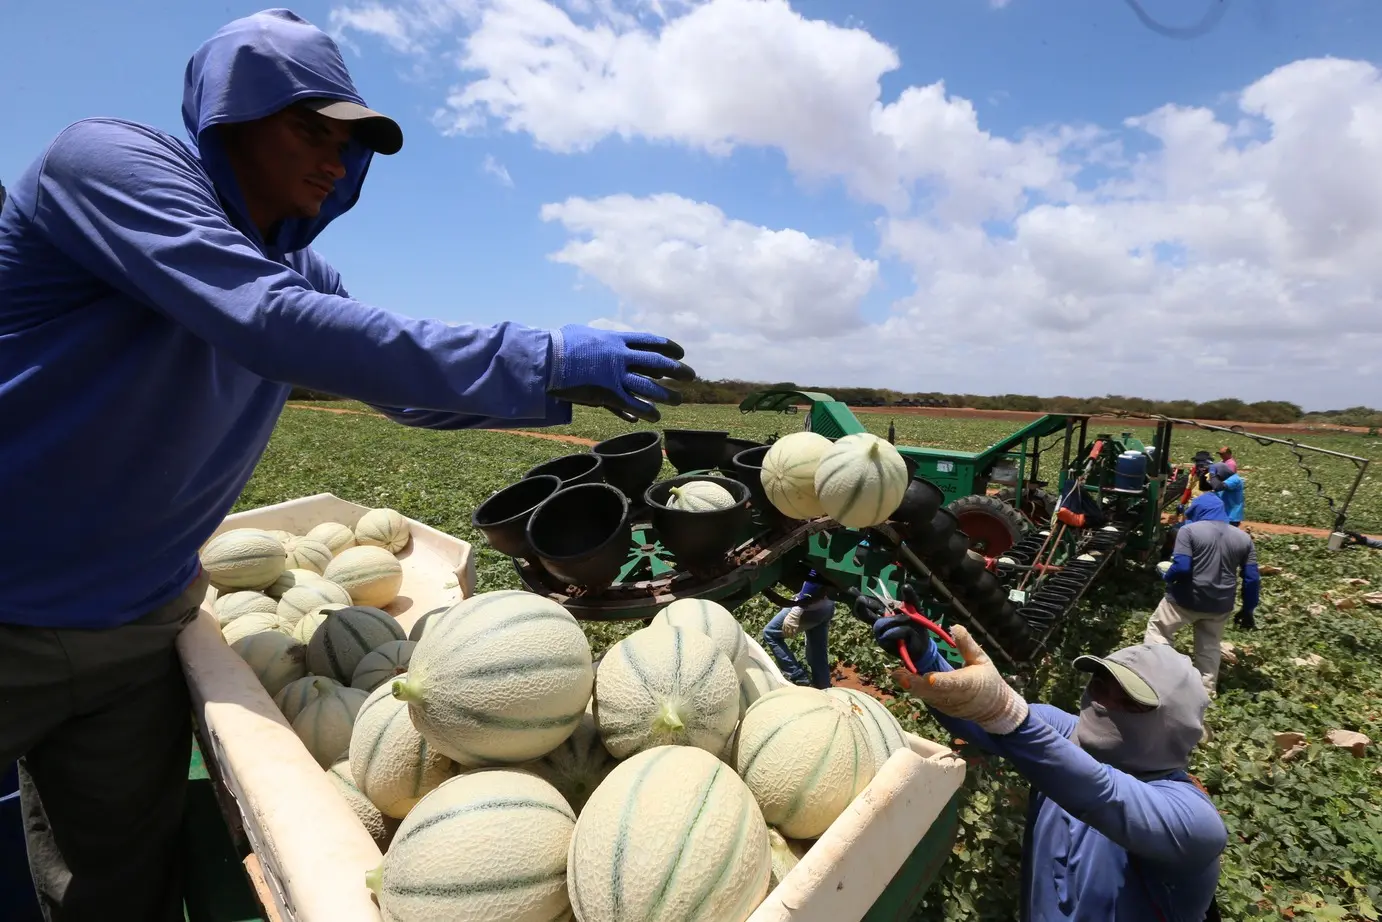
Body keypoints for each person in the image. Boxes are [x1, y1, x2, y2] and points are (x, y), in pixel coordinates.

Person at [0, 10, 692, 921]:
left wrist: (554, 392)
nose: (334, 160)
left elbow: (394, 387)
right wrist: (541, 355)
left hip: (139, 625)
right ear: (225, 120)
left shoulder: (306, 279)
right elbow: (267, 320)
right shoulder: (106, 165)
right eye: (307, 129)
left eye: (350, 143)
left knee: (115, 884)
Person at [855, 589, 1226, 921]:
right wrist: (923, 657)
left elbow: (1102, 794)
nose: (1100, 700)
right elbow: (975, 720)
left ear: (1171, 723)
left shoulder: (1193, 824)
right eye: (1099, 682)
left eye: (1127, 699)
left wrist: (1005, 711)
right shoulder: (1064, 732)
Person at [1146, 493, 1260, 695]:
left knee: (1159, 630)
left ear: (1198, 511)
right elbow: (1251, 579)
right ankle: (1205, 692)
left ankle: (1158, 680)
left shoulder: (1189, 531)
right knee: (1209, 647)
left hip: (1185, 598)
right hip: (1220, 603)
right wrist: (1248, 609)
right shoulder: (1243, 538)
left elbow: (1181, 567)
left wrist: (1167, 576)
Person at [762, 571, 835, 688]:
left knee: (770, 633)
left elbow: (815, 575)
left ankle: (799, 677)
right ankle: (824, 687)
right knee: (818, 652)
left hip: (810, 607)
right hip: (827, 606)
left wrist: (796, 611)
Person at [1207, 462, 1246, 528]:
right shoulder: (1223, 479)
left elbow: (1217, 487)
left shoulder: (1234, 479)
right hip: (1223, 514)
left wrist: (1212, 474)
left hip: (1231, 516)